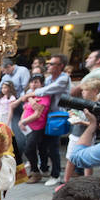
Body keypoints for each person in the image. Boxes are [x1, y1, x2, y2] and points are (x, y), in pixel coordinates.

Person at [20, 55, 71, 186]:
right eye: (49, 63)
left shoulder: (63, 78)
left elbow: (44, 91)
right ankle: (44, 169)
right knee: (43, 147)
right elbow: (37, 92)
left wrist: (30, 95)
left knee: (53, 148)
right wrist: (31, 97)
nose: (48, 65)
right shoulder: (48, 79)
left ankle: (55, 175)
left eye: (52, 63)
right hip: (46, 118)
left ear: (61, 66)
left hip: (57, 117)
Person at [60, 78, 100, 187]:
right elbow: (75, 113)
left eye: (86, 90)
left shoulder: (97, 106)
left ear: (95, 91)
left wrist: (82, 122)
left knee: (87, 161)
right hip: (75, 134)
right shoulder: (82, 104)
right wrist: (72, 115)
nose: (83, 92)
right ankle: (66, 182)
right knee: (70, 159)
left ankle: (88, 183)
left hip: (87, 136)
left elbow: (96, 124)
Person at [18, 74, 50, 184]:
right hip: (28, 128)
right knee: (31, 149)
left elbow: (37, 113)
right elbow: (25, 109)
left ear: (41, 84)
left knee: (29, 149)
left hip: (38, 127)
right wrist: (22, 120)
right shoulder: (29, 96)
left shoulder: (44, 96)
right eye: (32, 82)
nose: (33, 84)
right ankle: (34, 170)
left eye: (36, 82)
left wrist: (24, 121)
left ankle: (36, 172)